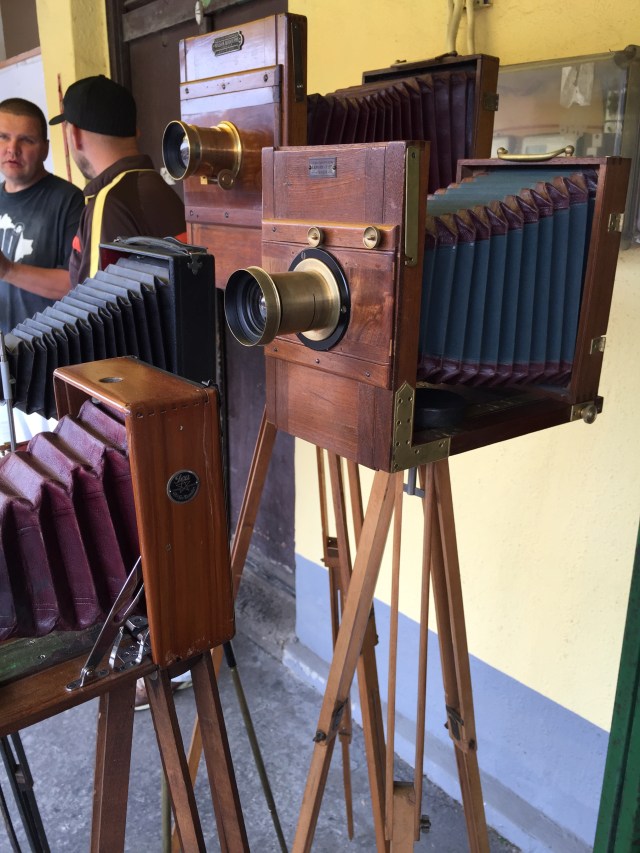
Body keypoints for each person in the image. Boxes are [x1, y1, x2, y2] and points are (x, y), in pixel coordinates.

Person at [0, 75, 186, 302]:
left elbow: (99, 315)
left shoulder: (108, 202)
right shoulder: (157, 187)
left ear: (75, 135)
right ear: (136, 131)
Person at [0, 98, 83, 334]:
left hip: (45, 351)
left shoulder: (69, 200)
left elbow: (76, 284)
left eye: (26, 140)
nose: (12, 149)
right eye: (3, 136)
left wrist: (8, 270)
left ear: (45, 148)